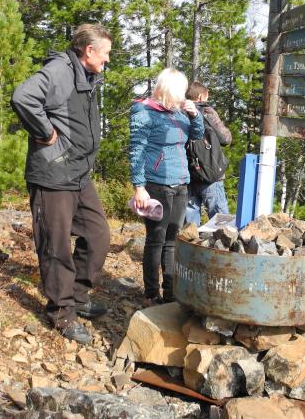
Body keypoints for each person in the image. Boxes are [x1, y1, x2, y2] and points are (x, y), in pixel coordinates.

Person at [11, 24, 112, 344]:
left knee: (98, 234)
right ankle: (61, 312)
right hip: (53, 175)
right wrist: (45, 133)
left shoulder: (87, 77)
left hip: (78, 175)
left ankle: (78, 295)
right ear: (89, 50)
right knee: (55, 246)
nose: (108, 59)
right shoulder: (60, 71)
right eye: (106, 53)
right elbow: (23, 97)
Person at [129, 69, 205, 306]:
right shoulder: (144, 112)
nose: (184, 97)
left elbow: (197, 135)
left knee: (172, 240)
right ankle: (152, 293)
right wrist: (139, 187)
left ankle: (170, 293)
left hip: (181, 183)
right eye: (180, 92)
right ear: (169, 91)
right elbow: (136, 152)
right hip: (156, 185)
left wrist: (195, 116)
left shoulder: (180, 112)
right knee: (156, 240)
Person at [184, 82, 232, 226]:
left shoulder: (179, 112)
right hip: (210, 174)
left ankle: (192, 247)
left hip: (188, 175)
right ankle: (221, 248)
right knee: (221, 221)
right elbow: (226, 138)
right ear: (200, 97)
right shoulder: (207, 112)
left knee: (190, 224)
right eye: (206, 95)